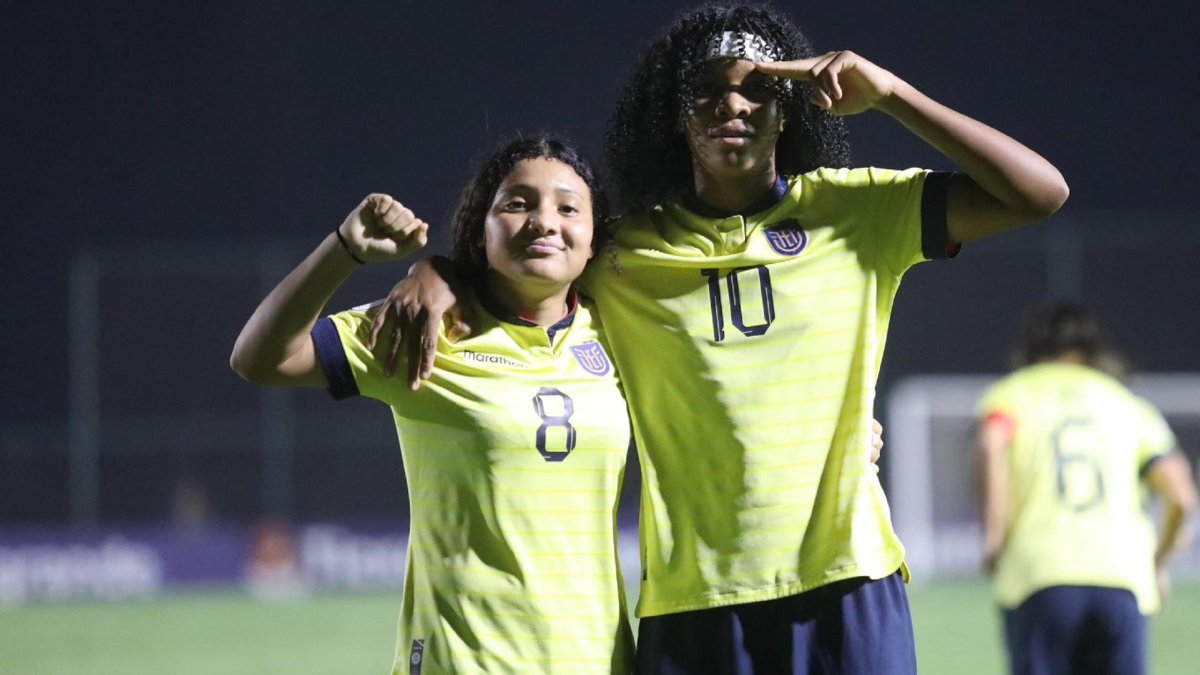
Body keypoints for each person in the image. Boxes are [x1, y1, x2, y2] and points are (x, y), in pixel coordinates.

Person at [373, 3, 1069, 673]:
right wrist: (440, 272)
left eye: (758, 90)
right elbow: (526, 267)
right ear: (677, 114)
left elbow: (1038, 193)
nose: (732, 106)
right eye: (706, 91)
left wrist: (891, 95)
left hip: (846, 581)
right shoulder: (623, 252)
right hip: (695, 603)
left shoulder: (859, 212)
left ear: (787, 111)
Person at [230, 135, 638, 674]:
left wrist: (436, 270)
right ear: (480, 229)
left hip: (598, 661)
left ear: (593, 239)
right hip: (461, 662)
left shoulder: (622, 332)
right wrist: (345, 250)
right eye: (518, 204)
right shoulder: (426, 328)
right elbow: (260, 358)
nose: (544, 221)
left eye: (568, 208)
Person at [976, 302, 1197, 675]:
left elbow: (991, 443)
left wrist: (995, 536)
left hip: (1039, 573)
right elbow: (1181, 495)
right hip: (1123, 577)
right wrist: (1158, 561)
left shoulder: (1012, 395)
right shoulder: (1128, 404)